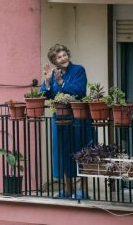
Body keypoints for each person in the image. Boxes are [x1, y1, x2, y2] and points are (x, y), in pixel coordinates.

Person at [40, 44, 91, 199]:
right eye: (59, 57)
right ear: (55, 61)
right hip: (60, 121)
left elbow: (79, 91)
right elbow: (44, 95)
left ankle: (83, 190)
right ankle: (68, 189)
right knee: (63, 154)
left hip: (78, 119)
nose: (63, 59)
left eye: (64, 55)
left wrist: (62, 83)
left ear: (68, 55)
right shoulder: (53, 73)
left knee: (81, 153)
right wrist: (48, 82)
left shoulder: (78, 70)